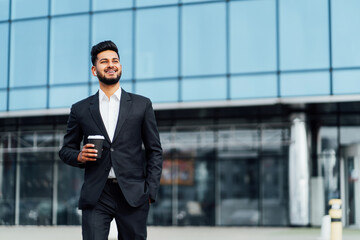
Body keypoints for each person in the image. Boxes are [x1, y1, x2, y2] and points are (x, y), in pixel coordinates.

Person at [59, 40, 163, 240]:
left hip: (133, 194)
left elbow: (154, 150)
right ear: (94, 69)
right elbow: (66, 150)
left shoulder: (142, 105)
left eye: (115, 60)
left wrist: (150, 190)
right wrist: (80, 156)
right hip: (97, 194)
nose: (111, 65)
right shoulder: (80, 109)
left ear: (120, 66)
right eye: (104, 61)